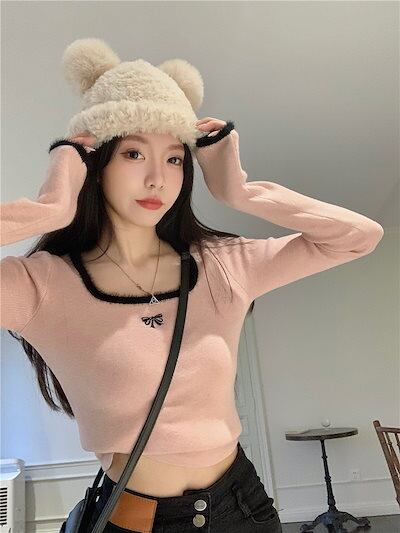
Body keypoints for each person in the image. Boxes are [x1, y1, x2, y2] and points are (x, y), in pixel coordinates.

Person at [1, 38, 384, 533]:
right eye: (133, 153)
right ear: (95, 165)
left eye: (175, 159)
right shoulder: (41, 285)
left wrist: (240, 190)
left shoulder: (223, 263)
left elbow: (359, 237)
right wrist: (51, 206)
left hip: (242, 506)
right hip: (139, 521)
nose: (157, 178)